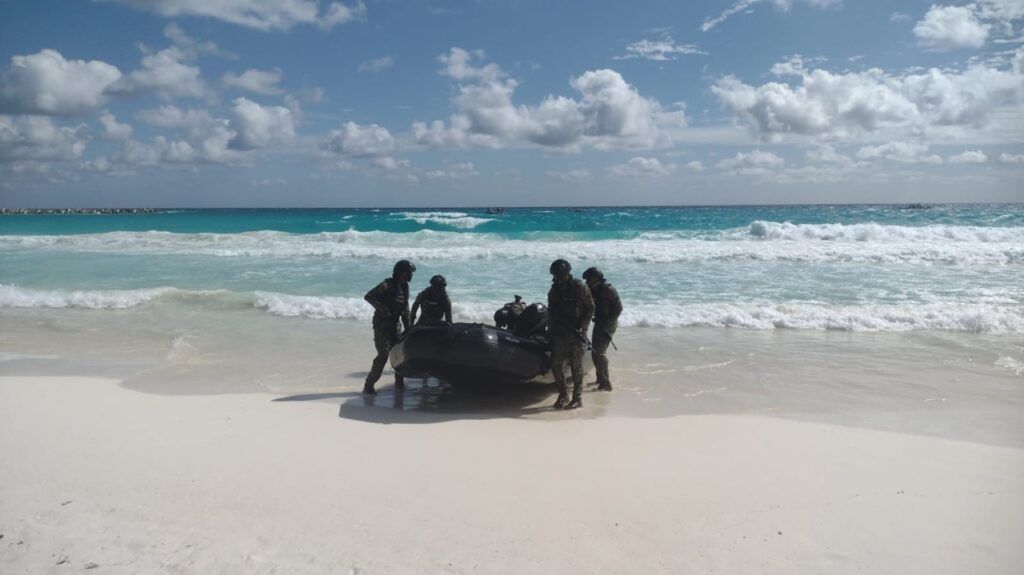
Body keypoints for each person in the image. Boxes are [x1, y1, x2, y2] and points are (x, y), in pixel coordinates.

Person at [547, 259, 595, 410]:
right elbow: (552, 312)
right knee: (556, 364)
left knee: (576, 365)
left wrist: (582, 327)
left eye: (559, 275)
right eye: (555, 275)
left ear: (567, 273)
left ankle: (577, 398)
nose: (556, 278)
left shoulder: (579, 287)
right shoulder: (554, 290)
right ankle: (563, 394)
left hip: (576, 332)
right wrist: (552, 331)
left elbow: (590, 308)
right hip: (560, 333)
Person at [362, 260, 415, 395]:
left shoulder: (405, 287)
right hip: (382, 326)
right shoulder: (387, 285)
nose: (411, 275)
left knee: (399, 353)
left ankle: (399, 381)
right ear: (401, 273)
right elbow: (369, 296)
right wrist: (382, 308)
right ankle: (369, 384)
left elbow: (405, 309)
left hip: (395, 326)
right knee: (383, 355)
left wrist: (408, 327)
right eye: (409, 272)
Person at [582, 267, 622, 391]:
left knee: (600, 352)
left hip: (608, 325)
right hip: (599, 322)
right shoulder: (594, 290)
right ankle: (600, 379)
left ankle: (606, 383)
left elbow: (618, 308)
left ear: (596, 279)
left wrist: (608, 322)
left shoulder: (608, 290)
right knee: (594, 351)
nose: (587, 283)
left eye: (589, 280)